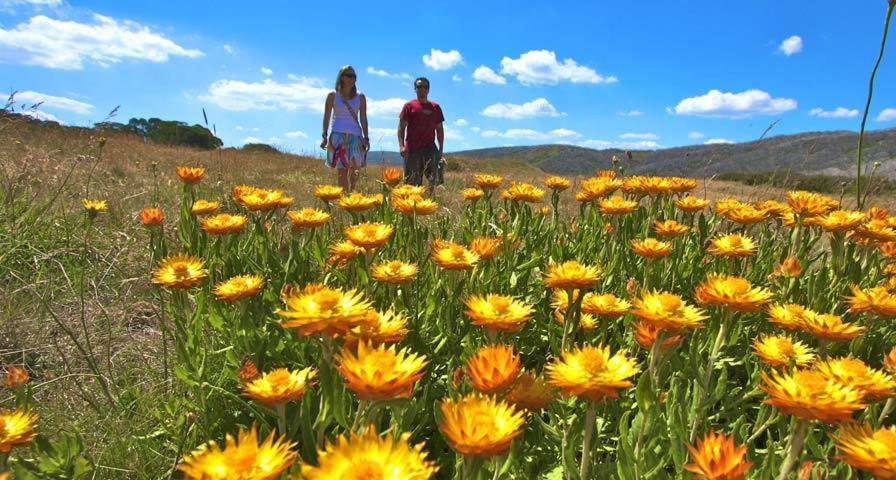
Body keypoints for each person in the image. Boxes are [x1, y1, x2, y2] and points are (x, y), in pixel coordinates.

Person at [320, 65, 369, 191]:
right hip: (338, 135)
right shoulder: (333, 95)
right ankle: (344, 198)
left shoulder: (360, 97)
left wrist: (366, 137)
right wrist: (324, 135)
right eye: (349, 76)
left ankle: (352, 194)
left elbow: (363, 118)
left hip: (355, 136)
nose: (352, 79)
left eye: (354, 76)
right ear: (341, 77)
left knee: (355, 170)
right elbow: (326, 116)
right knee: (342, 171)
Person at [398, 77, 445, 189]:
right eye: (419, 86)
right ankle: (412, 205)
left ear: (428, 89)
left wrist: (441, 149)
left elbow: (439, 129)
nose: (422, 89)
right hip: (412, 150)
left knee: (435, 181)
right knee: (412, 184)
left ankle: (431, 203)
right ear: (415, 89)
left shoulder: (435, 107)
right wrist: (401, 146)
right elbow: (401, 127)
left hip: (430, 149)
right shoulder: (409, 106)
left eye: (425, 87)